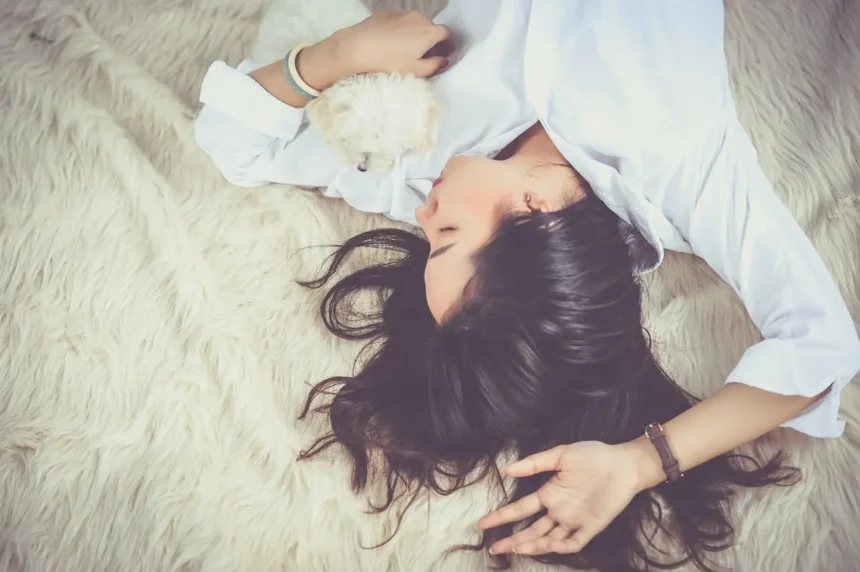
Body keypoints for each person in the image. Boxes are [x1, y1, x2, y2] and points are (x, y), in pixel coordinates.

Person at [195, 2, 860, 570]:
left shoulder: (424, 164)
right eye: (447, 235)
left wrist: (338, 55)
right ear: (538, 212)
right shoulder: (680, 160)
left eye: (427, 243)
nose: (423, 215)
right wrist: (639, 463)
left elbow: (238, 145)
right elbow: (820, 344)